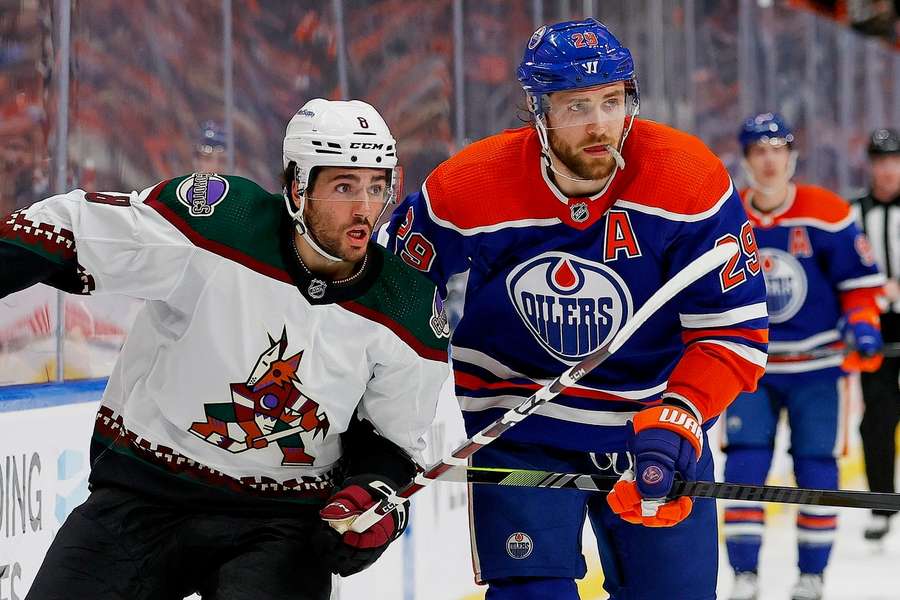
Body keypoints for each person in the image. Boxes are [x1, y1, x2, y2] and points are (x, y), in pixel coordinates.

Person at [379, 18, 768, 600]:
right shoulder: (467, 186)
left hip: (650, 430)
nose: (599, 125)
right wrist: (382, 433)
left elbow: (734, 331)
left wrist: (682, 413)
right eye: (575, 106)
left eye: (613, 102)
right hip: (519, 428)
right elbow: (387, 298)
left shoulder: (688, 180)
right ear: (537, 111)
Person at [2, 99, 449, 600]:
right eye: (344, 187)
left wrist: (372, 498)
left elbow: (390, 444)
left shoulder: (407, 308)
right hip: (147, 496)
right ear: (298, 189)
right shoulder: (219, 225)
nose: (365, 208)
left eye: (377, 186)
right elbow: (76, 230)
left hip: (281, 524)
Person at [722, 113, 885, 600]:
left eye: (777, 149)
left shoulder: (827, 212)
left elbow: (859, 288)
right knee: (745, 467)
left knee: (816, 469)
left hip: (817, 369)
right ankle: (744, 574)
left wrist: (863, 325)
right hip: (749, 367)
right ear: (746, 159)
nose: (769, 160)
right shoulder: (726, 216)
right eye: (758, 150)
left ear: (792, 155)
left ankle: (812, 574)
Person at [850, 127, 900, 541]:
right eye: (881, 161)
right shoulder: (851, 213)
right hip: (873, 327)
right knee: (877, 419)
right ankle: (882, 502)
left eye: (894, 161)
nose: (887, 170)